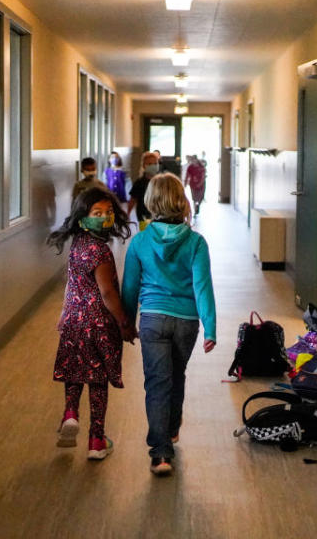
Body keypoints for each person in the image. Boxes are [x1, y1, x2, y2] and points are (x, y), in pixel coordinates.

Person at [121, 173, 216, 475]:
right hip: (186, 322)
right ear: (181, 200)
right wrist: (211, 328)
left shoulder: (140, 242)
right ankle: (172, 428)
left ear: (150, 201)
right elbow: (203, 288)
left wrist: (126, 324)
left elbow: (130, 289)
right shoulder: (196, 242)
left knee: (157, 383)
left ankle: (161, 453)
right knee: (176, 374)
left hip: (152, 319)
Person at [47, 187, 136, 460]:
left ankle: (70, 413)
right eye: (97, 213)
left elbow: (71, 282)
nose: (105, 218)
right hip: (99, 324)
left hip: (75, 320)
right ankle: (97, 440)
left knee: (75, 371)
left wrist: (65, 312)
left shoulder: (78, 244)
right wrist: (124, 322)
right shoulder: (100, 252)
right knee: (97, 381)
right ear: (83, 217)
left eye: (109, 212)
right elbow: (108, 293)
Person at [127, 151, 160, 231]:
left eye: (155, 163)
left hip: (159, 216)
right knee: (146, 235)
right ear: (144, 166)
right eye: (149, 164)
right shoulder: (139, 182)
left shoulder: (161, 181)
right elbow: (133, 199)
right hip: (143, 216)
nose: (153, 166)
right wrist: (128, 213)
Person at [183, 154, 207, 219]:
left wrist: (200, 183)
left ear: (196, 160)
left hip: (201, 184)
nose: (193, 162)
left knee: (200, 197)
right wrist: (185, 184)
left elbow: (203, 176)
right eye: (192, 160)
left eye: (194, 160)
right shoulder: (190, 167)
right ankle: (195, 211)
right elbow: (187, 176)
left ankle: (198, 205)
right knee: (194, 198)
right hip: (193, 184)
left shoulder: (201, 167)